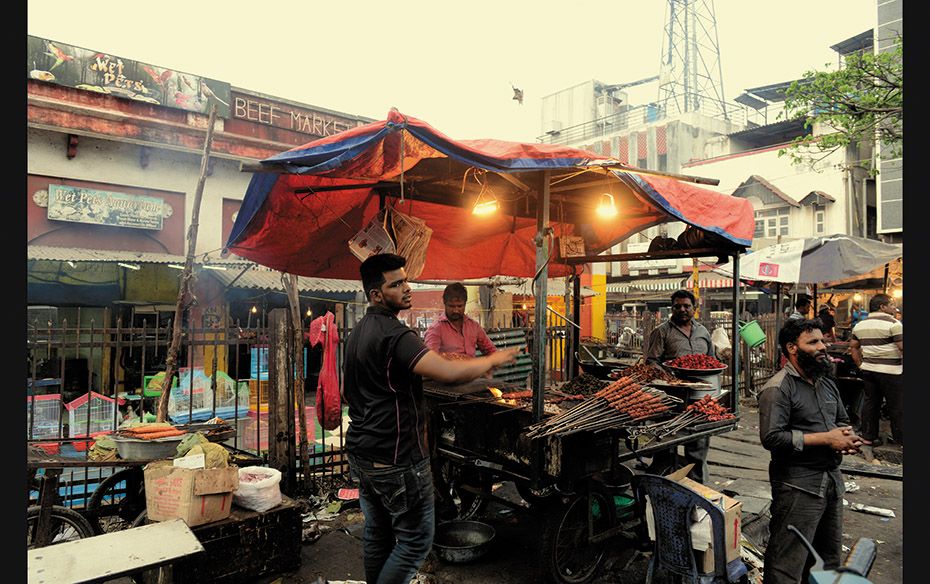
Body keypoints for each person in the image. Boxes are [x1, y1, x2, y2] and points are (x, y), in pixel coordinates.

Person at [343, 253, 519, 584]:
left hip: (364, 454)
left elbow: (347, 391)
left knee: (379, 535)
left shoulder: (357, 333)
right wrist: (493, 361)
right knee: (415, 543)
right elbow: (447, 372)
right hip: (398, 457)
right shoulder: (396, 335)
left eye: (406, 280)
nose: (407, 288)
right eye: (397, 284)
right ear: (376, 295)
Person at [758, 318, 866, 584]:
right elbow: (772, 438)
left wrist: (846, 436)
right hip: (798, 485)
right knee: (787, 562)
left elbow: (841, 419)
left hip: (831, 481)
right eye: (814, 342)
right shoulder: (778, 388)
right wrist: (826, 439)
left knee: (827, 559)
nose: (822, 346)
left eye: (822, 340)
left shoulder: (825, 381)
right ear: (792, 348)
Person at [645, 289, 717, 484]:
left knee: (698, 448)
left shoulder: (703, 331)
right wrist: (669, 377)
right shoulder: (661, 332)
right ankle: (660, 489)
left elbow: (712, 362)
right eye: (678, 306)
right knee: (665, 449)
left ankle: (699, 492)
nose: (682, 310)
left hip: (699, 399)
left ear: (694, 308)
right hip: (671, 400)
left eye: (687, 306)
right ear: (672, 308)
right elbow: (651, 362)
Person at [849, 293, 903, 447]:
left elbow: (853, 347)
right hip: (892, 372)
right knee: (897, 405)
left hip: (869, 371)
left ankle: (868, 437)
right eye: (891, 304)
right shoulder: (895, 324)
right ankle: (901, 440)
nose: (894, 307)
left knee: (871, 403)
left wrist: (860, 364)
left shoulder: (860, 325)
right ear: (882, 307)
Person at [424, 282, 497, 358]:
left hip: (472, 369)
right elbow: (430, 359)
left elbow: (491, 350)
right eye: (451, 306)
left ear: (465, 304)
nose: (456, 310)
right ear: (444, 303)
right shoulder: (436, 329)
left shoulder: (474, 326)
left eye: (459, 306)